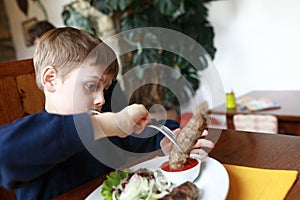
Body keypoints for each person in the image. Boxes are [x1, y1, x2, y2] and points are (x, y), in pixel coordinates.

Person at [0, 27, 214, 199]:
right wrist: (105, 124)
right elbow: (5, 155)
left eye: (105, 89)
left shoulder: (105, 127)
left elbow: (141, 134)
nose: (102, 99)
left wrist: (166, 139)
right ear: (50, 79)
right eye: (91, 86)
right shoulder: (35, 135)